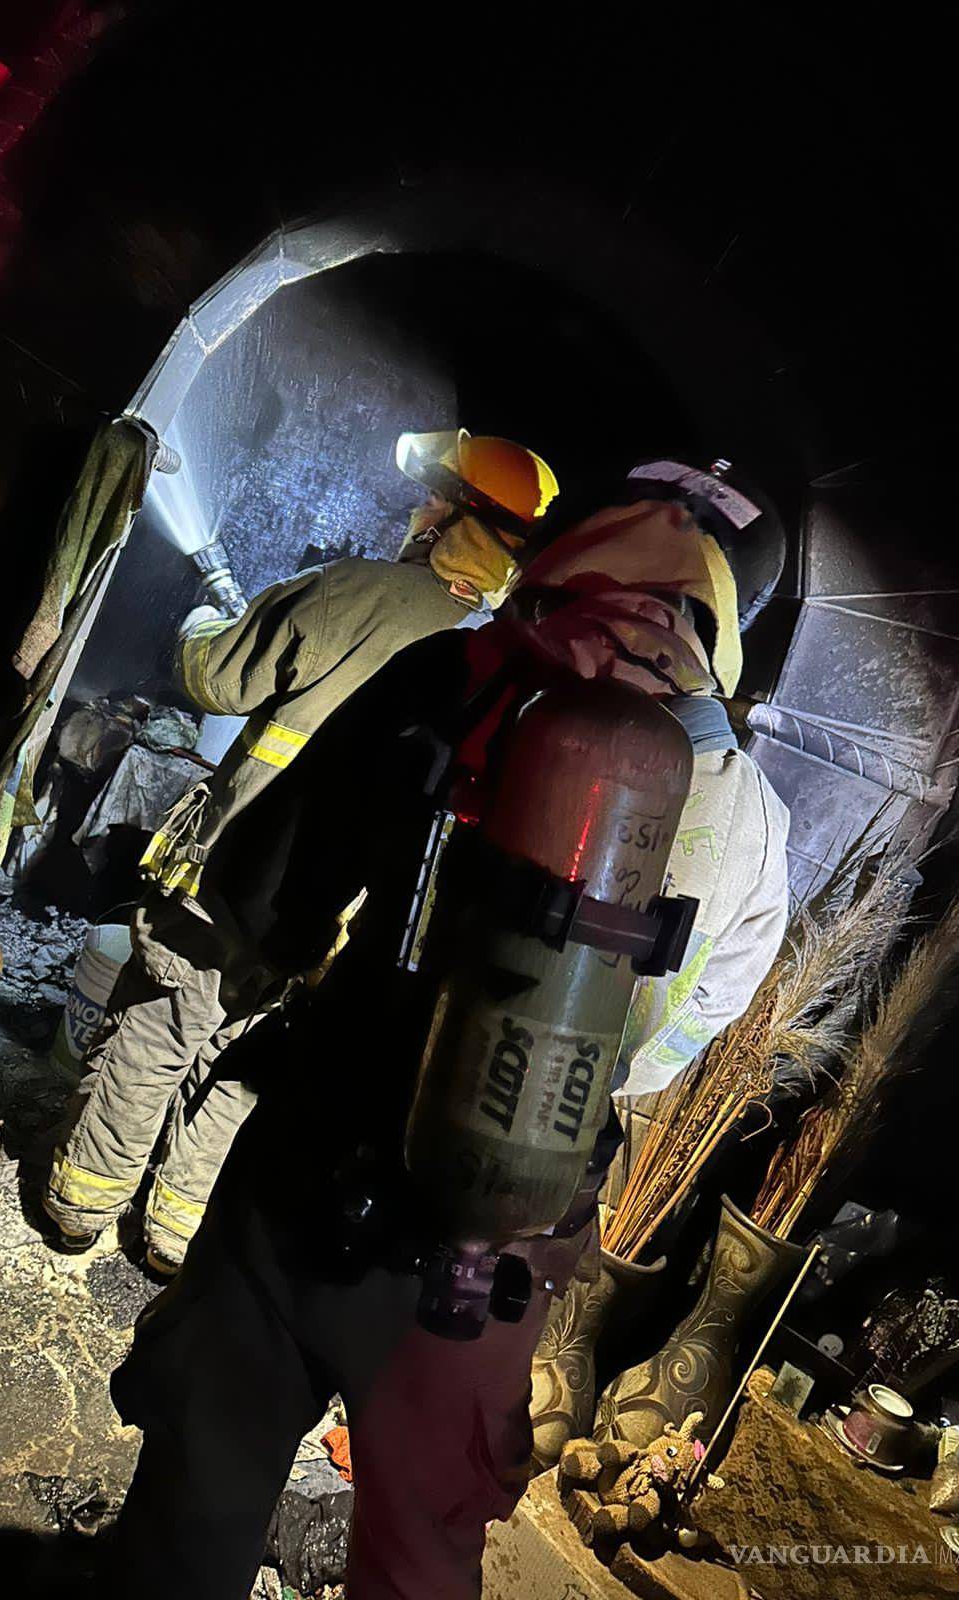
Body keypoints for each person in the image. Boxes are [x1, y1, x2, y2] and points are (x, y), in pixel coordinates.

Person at [104, 459, 791, 1598]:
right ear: (731, 621)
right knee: (421, 1554)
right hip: (507, 1235)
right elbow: (673, 1045)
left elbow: (264, 899)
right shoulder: (751, 819)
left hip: (315, 1168)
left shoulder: (452, 671)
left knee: (198, 1492)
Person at [42, 430, 560, 1272]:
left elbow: (219, 677)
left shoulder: (356, 590)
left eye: (431, 497)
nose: (415, 509)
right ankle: (175, 1235)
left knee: (163, 1024)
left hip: (240, 868)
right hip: (335, 920)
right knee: (235, 1061)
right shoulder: (487, 663)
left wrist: (212, 614)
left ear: (455, 524)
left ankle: (80, 1203)